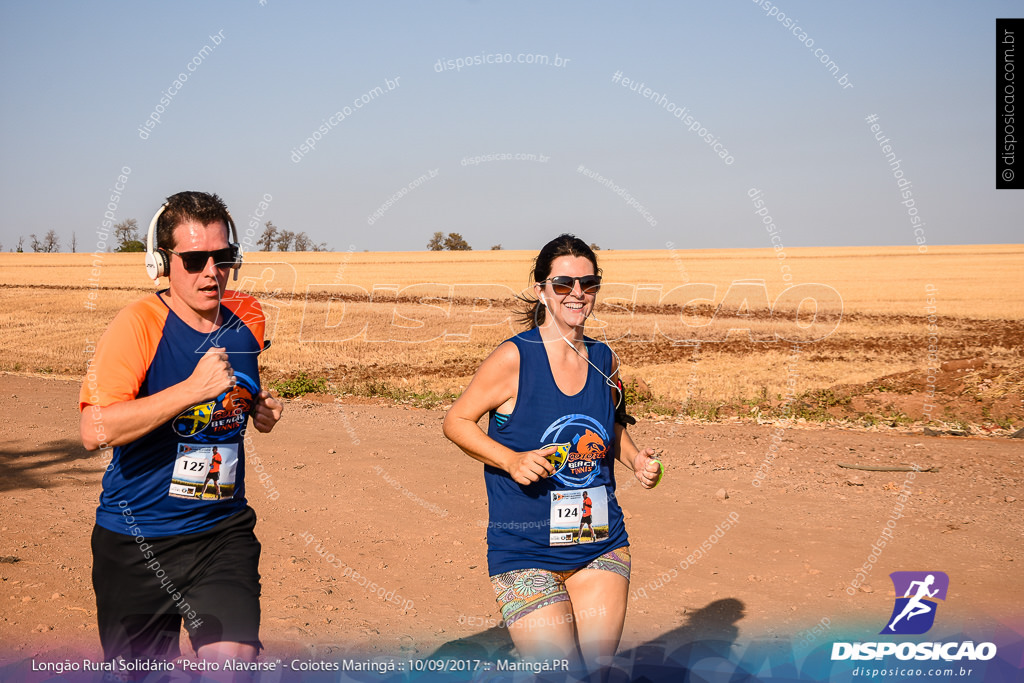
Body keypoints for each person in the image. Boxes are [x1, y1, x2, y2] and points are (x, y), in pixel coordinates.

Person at [79, 191, 283, 674]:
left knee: (231, 664)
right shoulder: (138, 325)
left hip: (221, 533)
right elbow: (94, 429)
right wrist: (190, 390)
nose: (212, 271)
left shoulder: (246, 320)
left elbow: (237, 388)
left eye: (223, 257)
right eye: (194, 259)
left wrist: (257, 407)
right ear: (161, 263)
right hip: (138, 540)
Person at [443, 234, 663, 676]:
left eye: (588, 283)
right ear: (542, 289)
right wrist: (510, 460)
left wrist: (636, 460)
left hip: (600, 544)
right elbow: (456, 422)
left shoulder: (605, 359)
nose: (577, 294)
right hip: (524, 551)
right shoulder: (514, 357)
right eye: (564, 284)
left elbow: (609, 427)